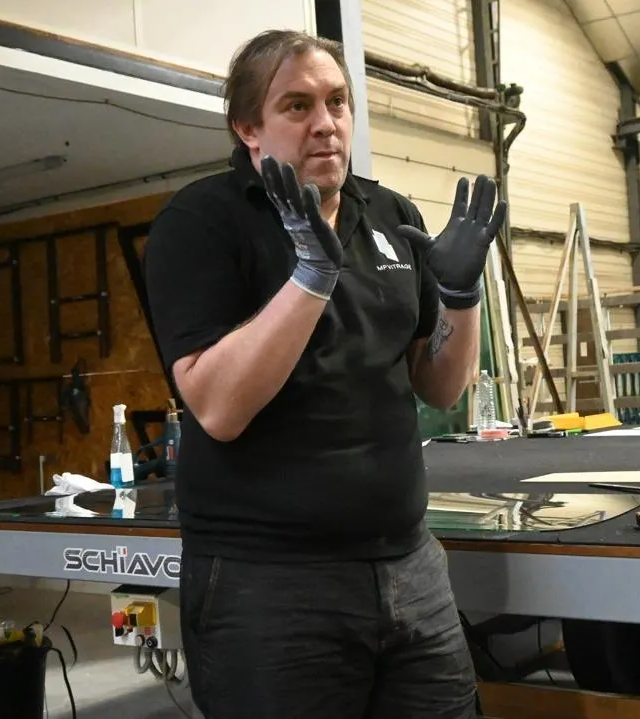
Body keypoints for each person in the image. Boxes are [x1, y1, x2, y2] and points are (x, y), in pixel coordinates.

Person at [141, 28, 506, 719]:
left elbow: (439, 385)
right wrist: (311, 275)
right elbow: (217, 407)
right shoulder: (201, 222)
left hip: (410, 567)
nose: (326, 123)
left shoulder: (391, 214)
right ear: (248, 128)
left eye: (337, 102)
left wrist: (461, 297)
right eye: (297, 105)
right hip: (270, 585)